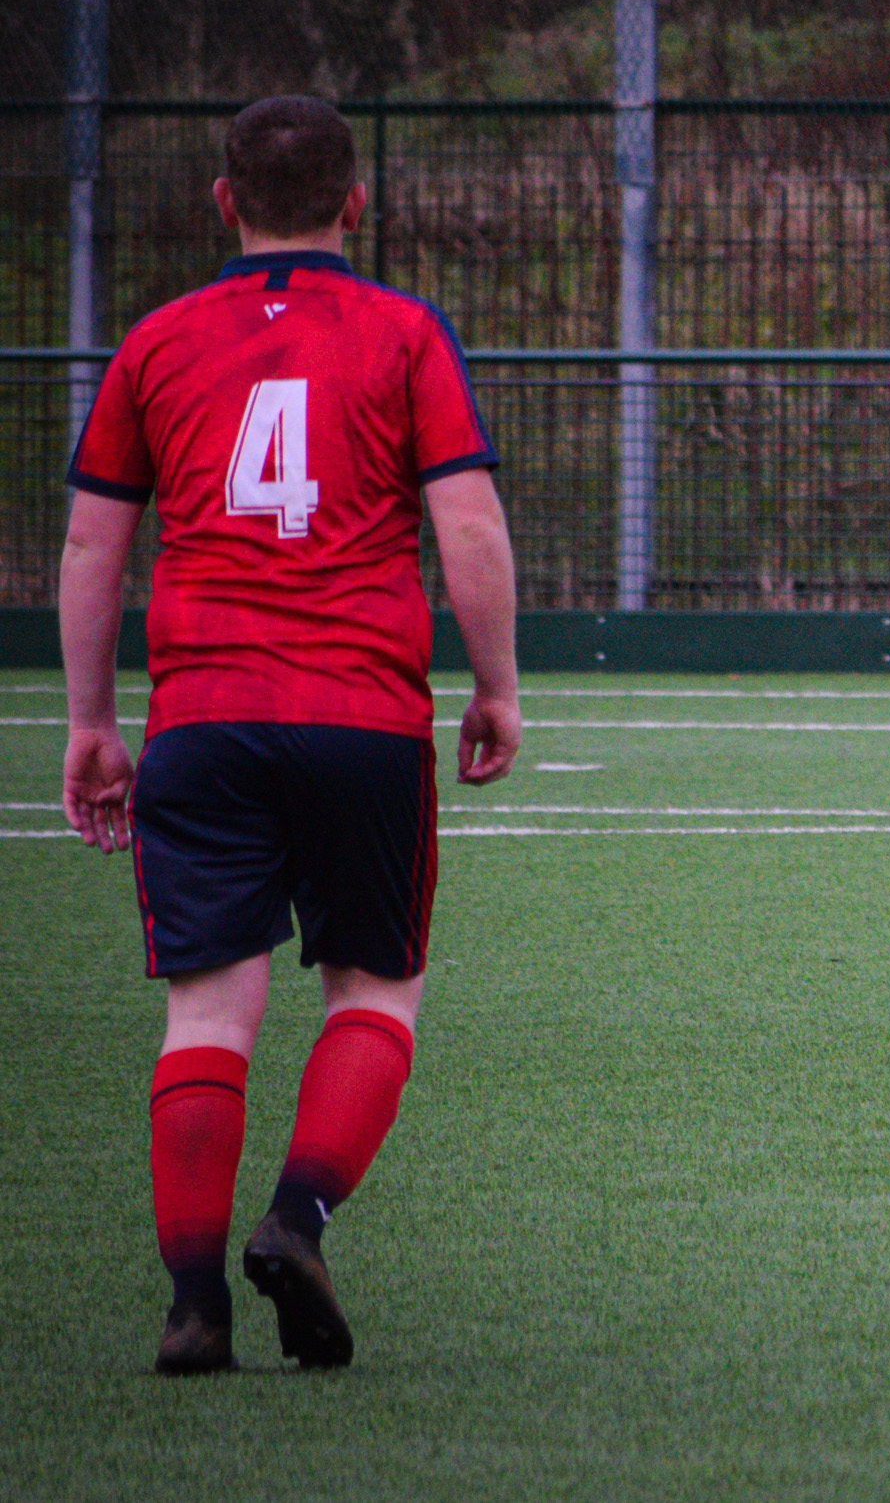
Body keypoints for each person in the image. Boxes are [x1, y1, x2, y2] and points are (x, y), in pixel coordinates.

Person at [58, 96, 521, 1375]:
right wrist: (498, 686)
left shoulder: (156, 342)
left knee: (210, 1006)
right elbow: (469, 526)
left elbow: (97, 542)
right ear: (353, 205)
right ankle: (299, 1217)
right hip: (365, 714)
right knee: (375, 987)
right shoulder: (403, 331)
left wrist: (94, 720)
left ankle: (194, 1302)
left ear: (223, 202)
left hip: (203, 717)